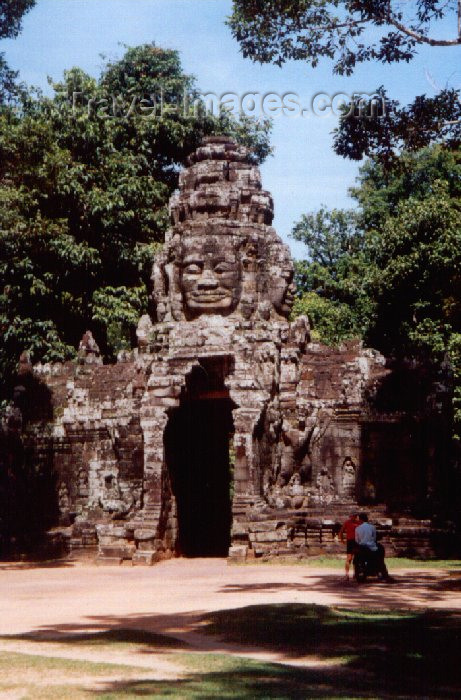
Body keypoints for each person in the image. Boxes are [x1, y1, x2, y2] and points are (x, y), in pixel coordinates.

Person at [354, 512, 394, 582]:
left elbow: (357, 540)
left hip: (362, 548)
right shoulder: (372, 527)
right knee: (380, 559)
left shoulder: (357, 529)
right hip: (372, 547)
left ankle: (361, 573)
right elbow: (374, 538)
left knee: (357, 556)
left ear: (360, 520)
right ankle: (384, 574)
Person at [339, 512, 359, 580]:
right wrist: (342, 540)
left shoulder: (358, 523)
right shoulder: (347, 522)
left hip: (356, 541)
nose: (353, 517)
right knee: (349, 558)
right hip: (350, 541)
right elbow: (341, 531)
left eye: (355, 516)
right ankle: (347, 575)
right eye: (352, 516)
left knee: (356, 559)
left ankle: (355, 574)